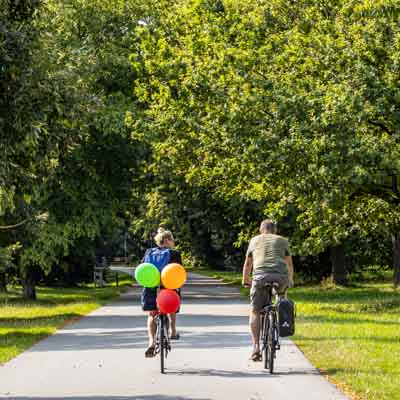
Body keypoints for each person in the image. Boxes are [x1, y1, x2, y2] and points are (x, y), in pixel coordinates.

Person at [242, 219, 294, 361]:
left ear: (261, 229)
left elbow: (248, 264)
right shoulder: (283, 240)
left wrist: (246, 280)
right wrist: (290, 280)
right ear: (275, 230)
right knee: (282, 297)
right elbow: (289, 263)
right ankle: (279, 315)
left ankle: (256, 348)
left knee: (255, 310)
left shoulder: (254, 240)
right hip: (280, 277)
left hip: (260, 277)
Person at [141, 227, 182, 358]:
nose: (173, 242)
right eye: (172, 240)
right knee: (172, 308)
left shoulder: (148, 252)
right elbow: (179, 271)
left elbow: (143, 268)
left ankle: (151, 342)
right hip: (168, 286)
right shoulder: (174, 253)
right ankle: (173, 331)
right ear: (166, 240)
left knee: (152, 314)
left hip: (151, 286)